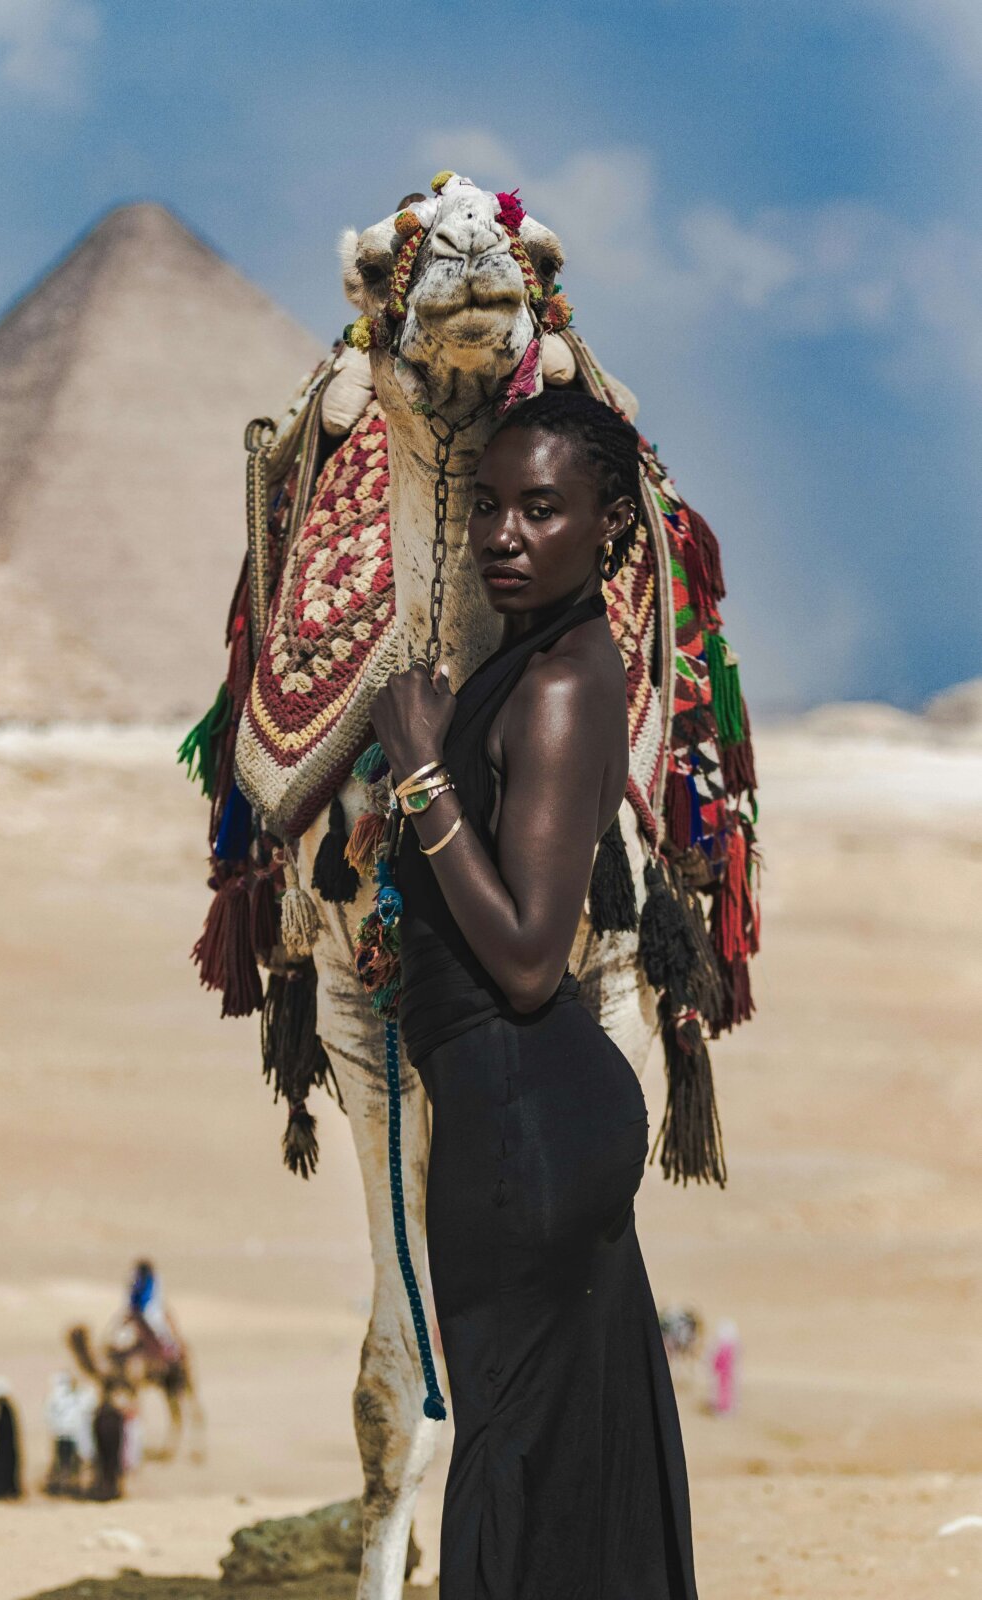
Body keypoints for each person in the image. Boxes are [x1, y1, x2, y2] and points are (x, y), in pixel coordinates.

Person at [371, 389, 698, 1597]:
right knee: (565, 1471)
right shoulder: (528, 660)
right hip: (530, 1115)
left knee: (507, 1457)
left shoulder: (562, 682)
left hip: (524, 1128)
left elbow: (522, 954)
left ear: (606, 525)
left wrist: (417, 777)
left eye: (540, 509)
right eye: (486, 506)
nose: (503, 533)